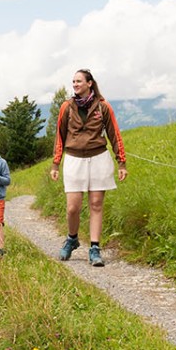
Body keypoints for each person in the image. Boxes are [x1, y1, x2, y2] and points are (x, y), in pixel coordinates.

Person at [49, 69, 127, 266]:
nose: (75, 84)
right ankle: (72, 238)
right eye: (73, 81)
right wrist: (56, 163)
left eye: (79, 81)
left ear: (90, 83)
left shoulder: (103, 107)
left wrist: (121, 162)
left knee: (96, 204)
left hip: (99, 158)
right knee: (73, 207)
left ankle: (94, 247)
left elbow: (114, 135)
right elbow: (60, 135)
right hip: (74, 160)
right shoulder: (66, 107)